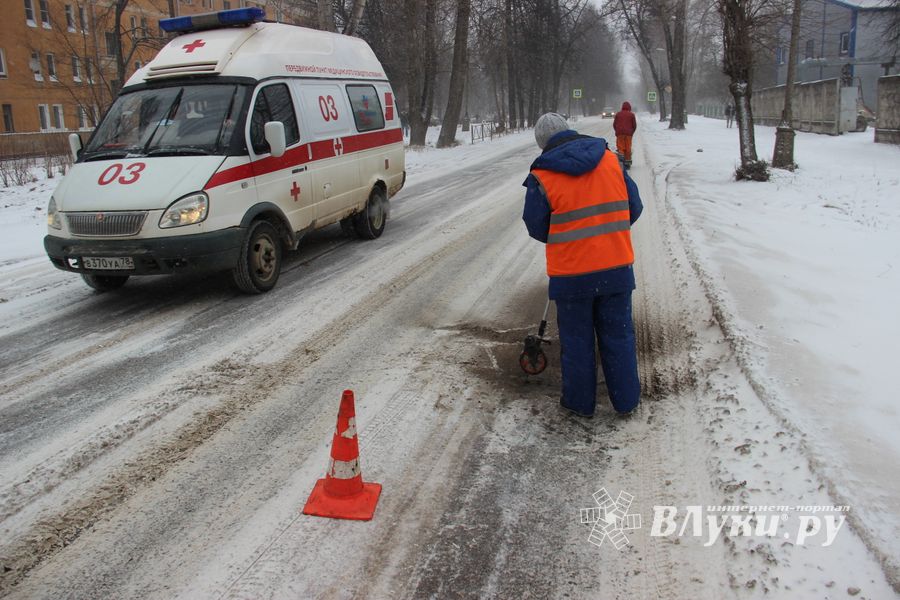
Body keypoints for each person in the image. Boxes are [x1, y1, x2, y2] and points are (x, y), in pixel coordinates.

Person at [522, 113, 643, 418]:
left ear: (542, 144)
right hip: (616, 270)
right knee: (619, 336)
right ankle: (626, 402)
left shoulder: (543, 175)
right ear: (570, 130)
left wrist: (567, 234)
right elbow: (634, 207)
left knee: (577, 342)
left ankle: (579, 404)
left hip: (572, 276)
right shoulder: (610, 160)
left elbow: (536, 226)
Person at [612, 101, 637, 166]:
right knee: (628, 147)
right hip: (628, 134)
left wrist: (617, 131)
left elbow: (614, 124)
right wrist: (631, 132)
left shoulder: (618, 114)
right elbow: (634, 125)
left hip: (620, 134)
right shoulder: (631, 115)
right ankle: (628, 161)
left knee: (620, 147)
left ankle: (621, 161)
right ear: (629, 107)